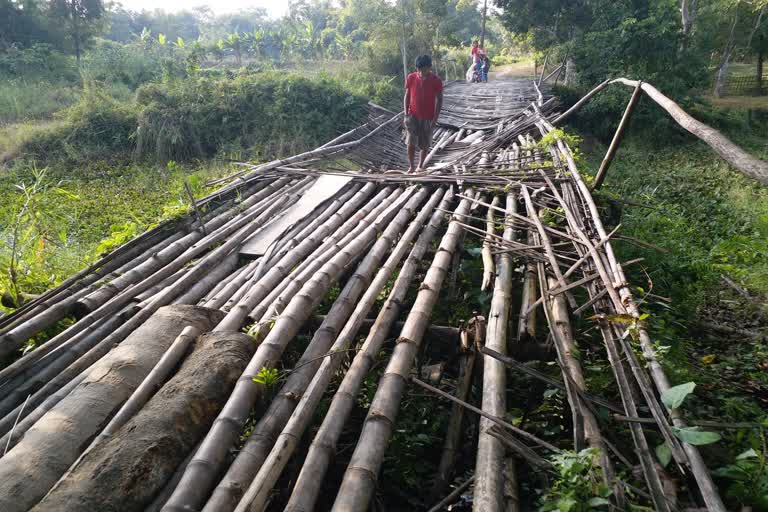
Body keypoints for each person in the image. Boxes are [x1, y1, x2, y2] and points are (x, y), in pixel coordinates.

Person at [404, 55, 443, 172]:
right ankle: (411, 166)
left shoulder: (436, 81)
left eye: (424, 69)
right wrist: (406, 113)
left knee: (425, 144)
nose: (421, 72)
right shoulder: (411, 78)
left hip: (428, 117)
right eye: (419, 69)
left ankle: (420, 166)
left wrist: (435, 119)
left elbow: (440, 99)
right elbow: (407, 95)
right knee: (410, 142)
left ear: (429, 68)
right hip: (412, 115)